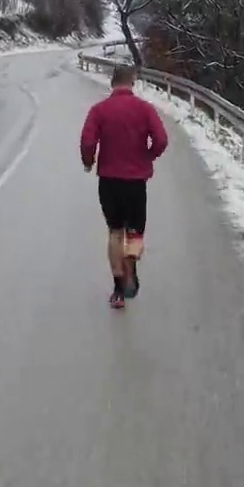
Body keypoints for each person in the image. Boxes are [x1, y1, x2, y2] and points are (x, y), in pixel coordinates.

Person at [80, 64, 169, 309]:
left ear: (112, 84)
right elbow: (161, 139)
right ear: (132, 83)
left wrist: (89, 162)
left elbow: (87, 141)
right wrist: (148, 156)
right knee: (135, 231)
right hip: (136, 182)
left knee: (115, 231)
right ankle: (131, 265)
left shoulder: (99, 110)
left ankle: (118, 289)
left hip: (109, 181)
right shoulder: (145, 109)